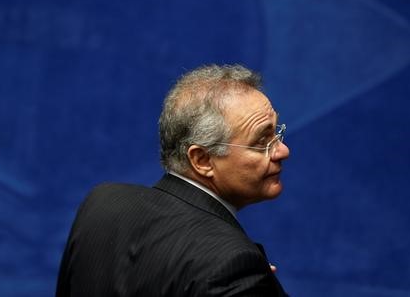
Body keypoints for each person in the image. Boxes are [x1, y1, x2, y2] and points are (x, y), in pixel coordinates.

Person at [56, 64, 290, 296]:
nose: (283, 151)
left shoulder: (101, 202)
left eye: (276, 133)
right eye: (262, 141)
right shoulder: (232, 264)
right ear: (202, 160)